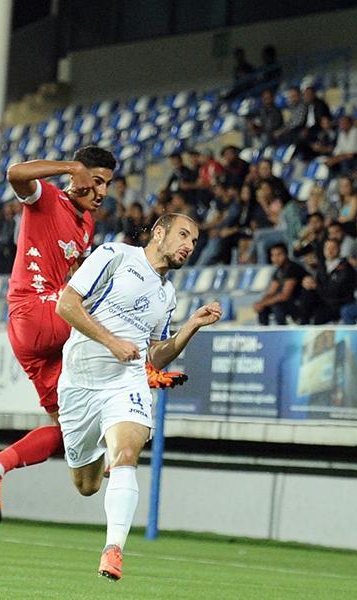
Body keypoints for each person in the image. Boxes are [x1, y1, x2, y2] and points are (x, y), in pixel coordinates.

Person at [54, 213, 222, 581]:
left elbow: (154, 357)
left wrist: (191, 326)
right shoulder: (114, 256)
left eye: (194, 241)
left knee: (128, 454)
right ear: (159, 232)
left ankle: (113, 549)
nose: (189, 246)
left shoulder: (167, 294)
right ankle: (104, 454)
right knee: (86, 485)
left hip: (125, 382)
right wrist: (112, 342)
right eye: (183, 235)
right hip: (79, 383)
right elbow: (66, 304)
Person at [0, 146, 115, 525]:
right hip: (36, 310)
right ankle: (124, 410)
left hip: (34, 335)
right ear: (78, 177)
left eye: (106, 185)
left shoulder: (86, 224)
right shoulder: (46, 198)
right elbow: (16, 173)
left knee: (62, 429)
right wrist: (70, 167)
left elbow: (78, 275)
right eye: (96, 181)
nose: (101, 192)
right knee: (113, 319)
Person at [297, 238, 357, 325]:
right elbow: (318, 285)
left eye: (333, 248)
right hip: (324, 299)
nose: (330, 251)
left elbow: (335, 291)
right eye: (327, 248)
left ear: (339, 249)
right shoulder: (322, 266)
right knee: (306, 292)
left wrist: (315, 286)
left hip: (338, 303)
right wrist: (309, 284)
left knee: (320, 315)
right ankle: (302, 322)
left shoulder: (346, 268)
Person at [253, 243, 307, 325]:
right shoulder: (279, 271)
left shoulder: (292, 268)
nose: (276, 258)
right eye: (273, 255)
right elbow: (271, 292)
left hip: (300, 305)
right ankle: (263, 329)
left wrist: (263, 303)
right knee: (264, 307)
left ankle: (281, 328)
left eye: (279, 254)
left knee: (277, 305)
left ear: (286, 254)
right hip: (289, 303)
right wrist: (261, 303)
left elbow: (285, 295)